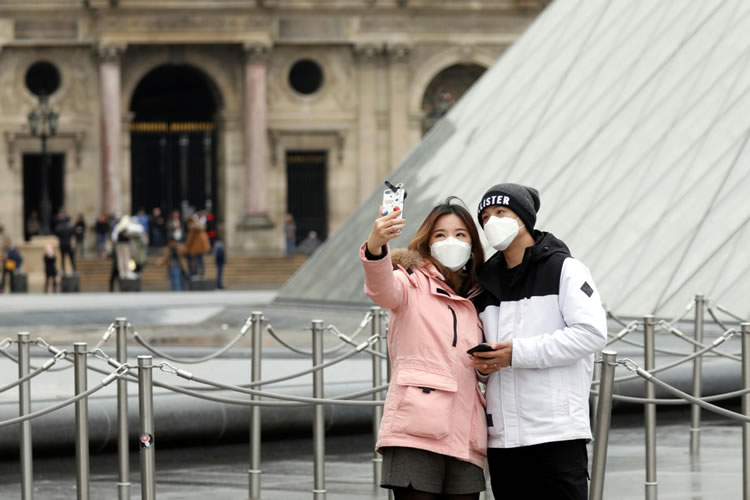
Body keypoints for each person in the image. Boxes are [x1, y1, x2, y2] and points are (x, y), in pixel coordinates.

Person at [469, 183, 607, 500]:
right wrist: (484, 366)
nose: (491, 222)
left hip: (556, 433)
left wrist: (517, 353)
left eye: (500, 212)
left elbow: (591, 332)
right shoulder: (484, 284)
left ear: (523, 217)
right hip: (503, 439)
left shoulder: (565, 269)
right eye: (485, 217)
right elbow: (480, 357)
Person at [361, 198, 488, 500]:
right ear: (428, 242)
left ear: (473, 243)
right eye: (440, 234)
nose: (451, 241)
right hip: (415, 431)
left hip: (466, 435)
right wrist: (376, 246)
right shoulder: (410, 283)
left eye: (461, 234)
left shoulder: (480, 296)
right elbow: (380, 288)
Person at [53, 209, 76, 274]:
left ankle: (64, 271)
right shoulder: (68, 225)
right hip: (67, 244)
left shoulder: (59, 226)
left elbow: (57, 234)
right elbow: (73, 232)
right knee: (70, 258)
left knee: (64, 258)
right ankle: (74, 271)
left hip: (63, 244)